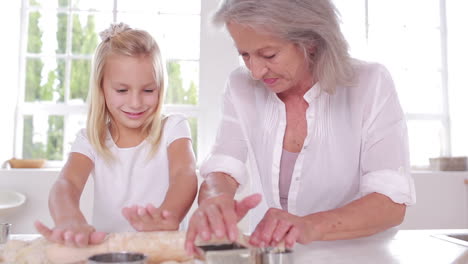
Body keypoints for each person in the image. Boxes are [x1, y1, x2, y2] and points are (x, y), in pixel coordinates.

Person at [185, 0, 416, 254]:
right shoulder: (241, 85)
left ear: (312, 41)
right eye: (245, 55)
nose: (256, 72)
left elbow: (390, 202)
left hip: (359, 256)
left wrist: (308, 225)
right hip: (273, 256)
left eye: (269, 55)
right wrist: (215, 201)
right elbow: (223, 167)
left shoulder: (370, 84)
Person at [34, 23, 198, 247]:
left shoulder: (173, 128)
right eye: (122, 90)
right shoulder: (91, 140)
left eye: (148, 90)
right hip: (108, 253)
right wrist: (68, 218)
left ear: (161, 86)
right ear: (101, 88)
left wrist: (168, 216)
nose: (135, 102)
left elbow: (184, 174)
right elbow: (67, 183)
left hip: (164, 248)